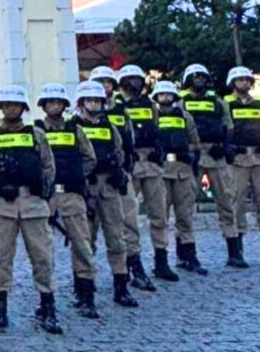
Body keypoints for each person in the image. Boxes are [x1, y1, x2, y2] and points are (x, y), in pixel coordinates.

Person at [0, 84, 62, 336]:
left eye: (15, 105)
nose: (10, 109)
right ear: (0, 108)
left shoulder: (37, 135)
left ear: (23, 108)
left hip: (34, 203)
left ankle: (48, 309)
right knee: (1, 258)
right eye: (6, 105)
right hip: (4, 205)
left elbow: (49, 167)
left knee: (42, 257)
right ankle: (0, 311)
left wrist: (43, 194)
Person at [35, 83, 102, 318]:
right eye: (50, 102)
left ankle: (86, 296)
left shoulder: (75, 130)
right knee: (43, 250)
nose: (54, 106)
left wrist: (75, 176)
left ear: (64, 105)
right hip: (47, 196)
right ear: (43, 106)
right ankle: (46, 300)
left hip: (72, 194)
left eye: (58, 102)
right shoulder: (37, 130)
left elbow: (89, 158)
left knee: (82, 245)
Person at [74, 80, 141, 308]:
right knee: (85, 240)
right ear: (81, 103)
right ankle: (83, 287)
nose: (94, 104)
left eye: (98, 100)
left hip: (109, 186)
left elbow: (120, 152)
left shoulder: (109, 127)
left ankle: (121, 286)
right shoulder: (72, 127)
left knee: (117, 237)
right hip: (85, 188)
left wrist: (115, 171)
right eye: (90, 100)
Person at [139, 78, 205, 282]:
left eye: (169, 94)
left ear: (174, 97)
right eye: (162, 95)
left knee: (185, 215)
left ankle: (188, 255)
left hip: (183, 170)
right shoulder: (152, 117)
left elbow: (196, 143)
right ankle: (162, 259)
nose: (165, 98)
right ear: (156, 97)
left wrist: (188, 152)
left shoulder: (185, 116)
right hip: (161, 171)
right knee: (161, 216)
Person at [218, 66, 260, 264]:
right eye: (240, 80)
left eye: (247, 79)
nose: (244, 83)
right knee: (236, 200)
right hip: (237, 159)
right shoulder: (225, 103)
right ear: (232, 83)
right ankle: (237, 248)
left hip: (258, 157)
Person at [173, 62, 227, 275]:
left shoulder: (218, 102)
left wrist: (223, 146)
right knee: (184, 206)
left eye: (202, 76)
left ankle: (235, 250)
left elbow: (227, 127)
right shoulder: (180, 103)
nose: (199, 80)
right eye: (195, 76)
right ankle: (184, 254)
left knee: (227, 200)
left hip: (214, 154)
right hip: (190, 157)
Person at [112, 64, 160, 294]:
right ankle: (85, 281)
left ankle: (142, 265)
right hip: (120, 171)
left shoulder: (150, 105)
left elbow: (157, 130)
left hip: (147, 163)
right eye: (132, 79)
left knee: (140, 217)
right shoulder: (114, 107)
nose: (137, 83)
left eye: (139, 79)